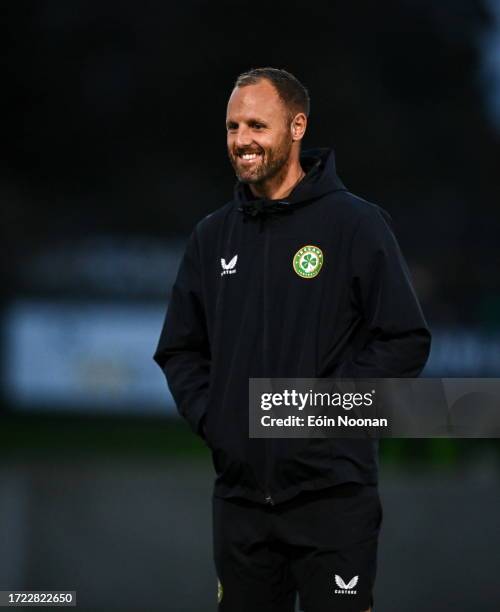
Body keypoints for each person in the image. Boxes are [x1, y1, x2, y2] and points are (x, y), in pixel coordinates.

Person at [154, 67, 431, 612]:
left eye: (257, 124)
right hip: (241, 506)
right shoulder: (212, 236)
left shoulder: (356, 225)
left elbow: (404, 339)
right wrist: (220, 420)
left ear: (297, 126)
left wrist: (322, 414)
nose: (242, 141)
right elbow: (180, 348)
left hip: (333, 500)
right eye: (233, 127)